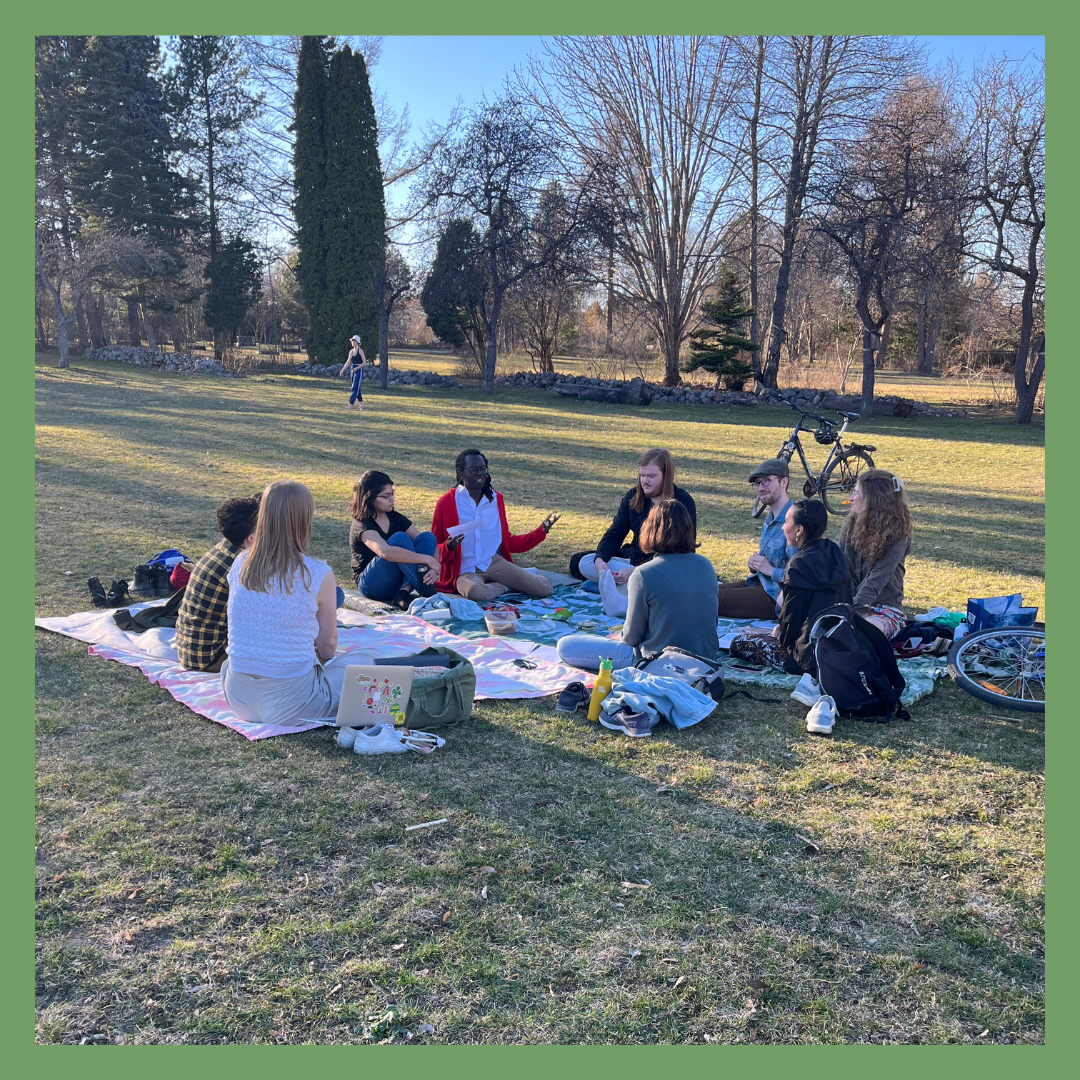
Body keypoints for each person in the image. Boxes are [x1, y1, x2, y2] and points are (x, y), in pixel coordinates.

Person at [221, 481, 341, 726]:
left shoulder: (240, 562)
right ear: (305, 520)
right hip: (293, 704)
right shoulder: (317, 573)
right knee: (362, 663)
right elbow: (327, 645)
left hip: (238, 698)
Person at [557, 499, 719, 671]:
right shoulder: (705, 564)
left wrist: (620, 635)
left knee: (566, 645)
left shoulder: (643, 573)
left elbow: (631, 638)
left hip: (661, 661)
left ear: (649, 529)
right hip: (706, 658)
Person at [729, 499, 851, 676]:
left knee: (739, 643)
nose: (782, 527)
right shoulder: (834, 551)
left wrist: (778, 633)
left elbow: (789, 624)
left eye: (786, 522)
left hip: (806, 658)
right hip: (841, 646)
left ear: (799, 530)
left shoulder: (798, 565)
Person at [431, 449, 560, 602]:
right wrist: (449, 546)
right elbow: (433, 546)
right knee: (477, 593)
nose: (480, 474)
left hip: (493, 562)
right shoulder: (446, 502)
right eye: (473, 469)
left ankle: (511, 582)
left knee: (545, 589)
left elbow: (508, 541)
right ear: (460, 474)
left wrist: (540, 532)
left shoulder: (496, 500)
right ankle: (506, 586)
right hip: (464, 569)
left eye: (483, 469)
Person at [575, 449, 696, 593]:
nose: (645, 481)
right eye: (642, 475)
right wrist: (600, 561)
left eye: (651, 476)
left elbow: (682, 552)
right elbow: (616, 532)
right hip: (634, 561)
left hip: (664, 568)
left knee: (653, 582)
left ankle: (614, 587)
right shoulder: (633, 496)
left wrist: (635, 571)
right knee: (584, 562)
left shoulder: (682, 502)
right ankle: (619, 586)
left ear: (666, 475)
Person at [174, 494, 261, 673]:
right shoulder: (240, 565)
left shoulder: (225, 548)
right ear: (251, 538)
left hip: (192, 649)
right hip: (211, 657)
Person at [717, 459, 796, 619]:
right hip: (759, 583)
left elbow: (801, 577)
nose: (760, 488)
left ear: (784, 482)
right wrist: (755, 565)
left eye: (766, 481)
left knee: (708, 599)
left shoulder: (794, 520)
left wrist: (771, 570)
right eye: (757, 484)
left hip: (776, 597)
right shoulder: (770, 518)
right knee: (707, 590)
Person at [838, 469, 913, 639]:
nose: (850, 498)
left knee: (863, 633)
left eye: (856, 493)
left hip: (883, 609)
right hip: (848, 604)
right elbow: (839, 568)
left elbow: (876, 580)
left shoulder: (899, 535)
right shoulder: (851, 524)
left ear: (872, 500)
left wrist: (852, 610)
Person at [350, 470, 440, 609]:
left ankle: (403, 593)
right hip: (371, 585)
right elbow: (385, 552)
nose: (392, 499)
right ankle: (429, 594)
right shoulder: (362, 524)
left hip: (396, 584)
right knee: (399, 539)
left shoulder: (395, 517)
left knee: (428, 537)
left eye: (392, 494)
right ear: (370, 498)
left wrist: (433, 568)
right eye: (386, 496)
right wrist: (428, 560)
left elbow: (430, 546)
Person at [337, 334, 367, 411]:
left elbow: (364, 362)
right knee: (357, 387)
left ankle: (351, 403)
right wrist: (342, 370)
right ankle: (361, 404)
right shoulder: (351, 352)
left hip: (358, 370)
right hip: (352, 370)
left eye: (354, 341)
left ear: (357, 342)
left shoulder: (360, 351)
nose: (353, 342)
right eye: (352, 341)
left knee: (355, 386)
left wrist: (357, 368)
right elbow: (348, 362)